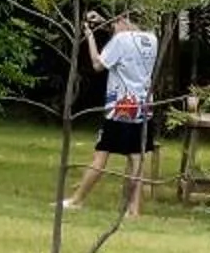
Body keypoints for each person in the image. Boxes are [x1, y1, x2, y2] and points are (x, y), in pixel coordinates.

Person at [65, 11, 159, 216]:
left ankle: (77, 199)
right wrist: (104, 22)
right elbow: (128, 38)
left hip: (120, 108)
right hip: (143, 107)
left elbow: (98, 64)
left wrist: (90, 36)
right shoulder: (152, 39)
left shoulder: (121, 39)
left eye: (116, 22)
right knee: (136, 157)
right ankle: (134, 209)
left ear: (125, 22)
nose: (113, 27)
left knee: (101, 154)